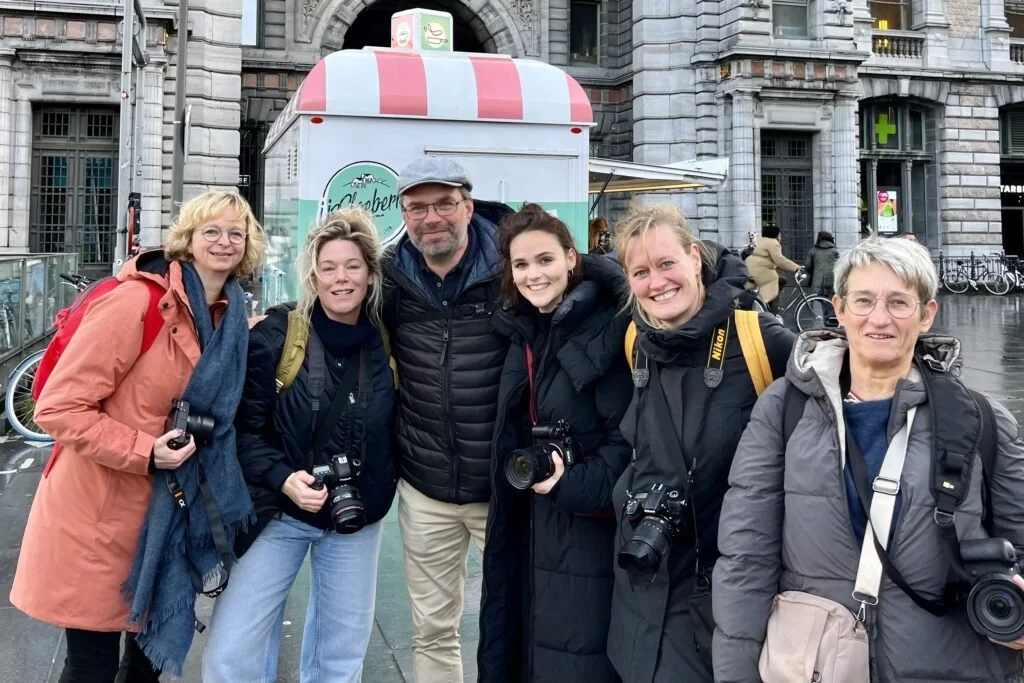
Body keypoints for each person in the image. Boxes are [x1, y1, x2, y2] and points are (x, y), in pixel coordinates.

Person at [714, 237, 1024, 682]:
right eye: (864, 301)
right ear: (839, 310)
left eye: (899, 303)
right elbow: (746, 557)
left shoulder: (982, 420)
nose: (879, 319)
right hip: (817, 664)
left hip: (952, 665)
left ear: (927, 314)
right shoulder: (785, 407)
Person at [11, 190, 266, 682]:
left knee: (147, 665)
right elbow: (58, 407)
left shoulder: (228, 315)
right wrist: (144, 451)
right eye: (210, 231)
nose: (224, 241)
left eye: (237, 232)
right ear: (187, 240)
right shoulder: (138, 302)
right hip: (99, 513)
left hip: (169, 516)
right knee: (91, 666)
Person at [202, 206, 397, 682]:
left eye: (353, 267)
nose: (341, 279)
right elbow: (241, 431)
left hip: (357, 519)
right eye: (328, 268)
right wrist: (283, 479)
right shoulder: (278, 335)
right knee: (233, 652)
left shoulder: (389, 341)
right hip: (280, 513)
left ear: (371, 276)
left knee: (340, 655)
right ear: (313, 276)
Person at [606, 205, 795, 683]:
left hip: (725, 592)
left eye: (667, 264)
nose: (657, 283)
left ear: (695, 258)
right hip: (644, 580)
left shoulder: (760, 340)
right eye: (641, 272)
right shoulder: (635, 340)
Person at [478, 204, 632, 682]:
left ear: (571, 257)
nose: (533, 275)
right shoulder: (523, 327)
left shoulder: (606, 327)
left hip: (584, 530)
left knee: (574, 658)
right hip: (528, 523)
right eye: (521, 265)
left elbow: (627, 442)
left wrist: (570, 484)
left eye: (545, 260)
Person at [382, 157, 513, 682]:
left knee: (514, 618)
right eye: (417, 207)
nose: (430, 217)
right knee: (433, 629)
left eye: (442, 203)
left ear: (468, 205)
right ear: (405, 214)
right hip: (426, 487)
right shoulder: (390, 276)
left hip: (502, 487)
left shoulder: (510, 271)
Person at [745, 225, 800, 312]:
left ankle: (765, 301)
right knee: (774, 291)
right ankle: (772, 315)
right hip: (760, 269)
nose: (781, 238)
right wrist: (796, 267)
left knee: (782, 280)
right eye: (780, 235)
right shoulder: (773, 243)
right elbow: (779, 260)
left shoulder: (762, 241)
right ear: (776, 235)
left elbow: (772, 260)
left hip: (752, 266)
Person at [804, 230, 840, 324]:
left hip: (818, 281)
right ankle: (831, 319)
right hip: (832, 280)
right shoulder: (834, 250)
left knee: (823, 300)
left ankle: (828, 320)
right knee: (830, 300)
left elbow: (807, 265)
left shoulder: (814, 250)